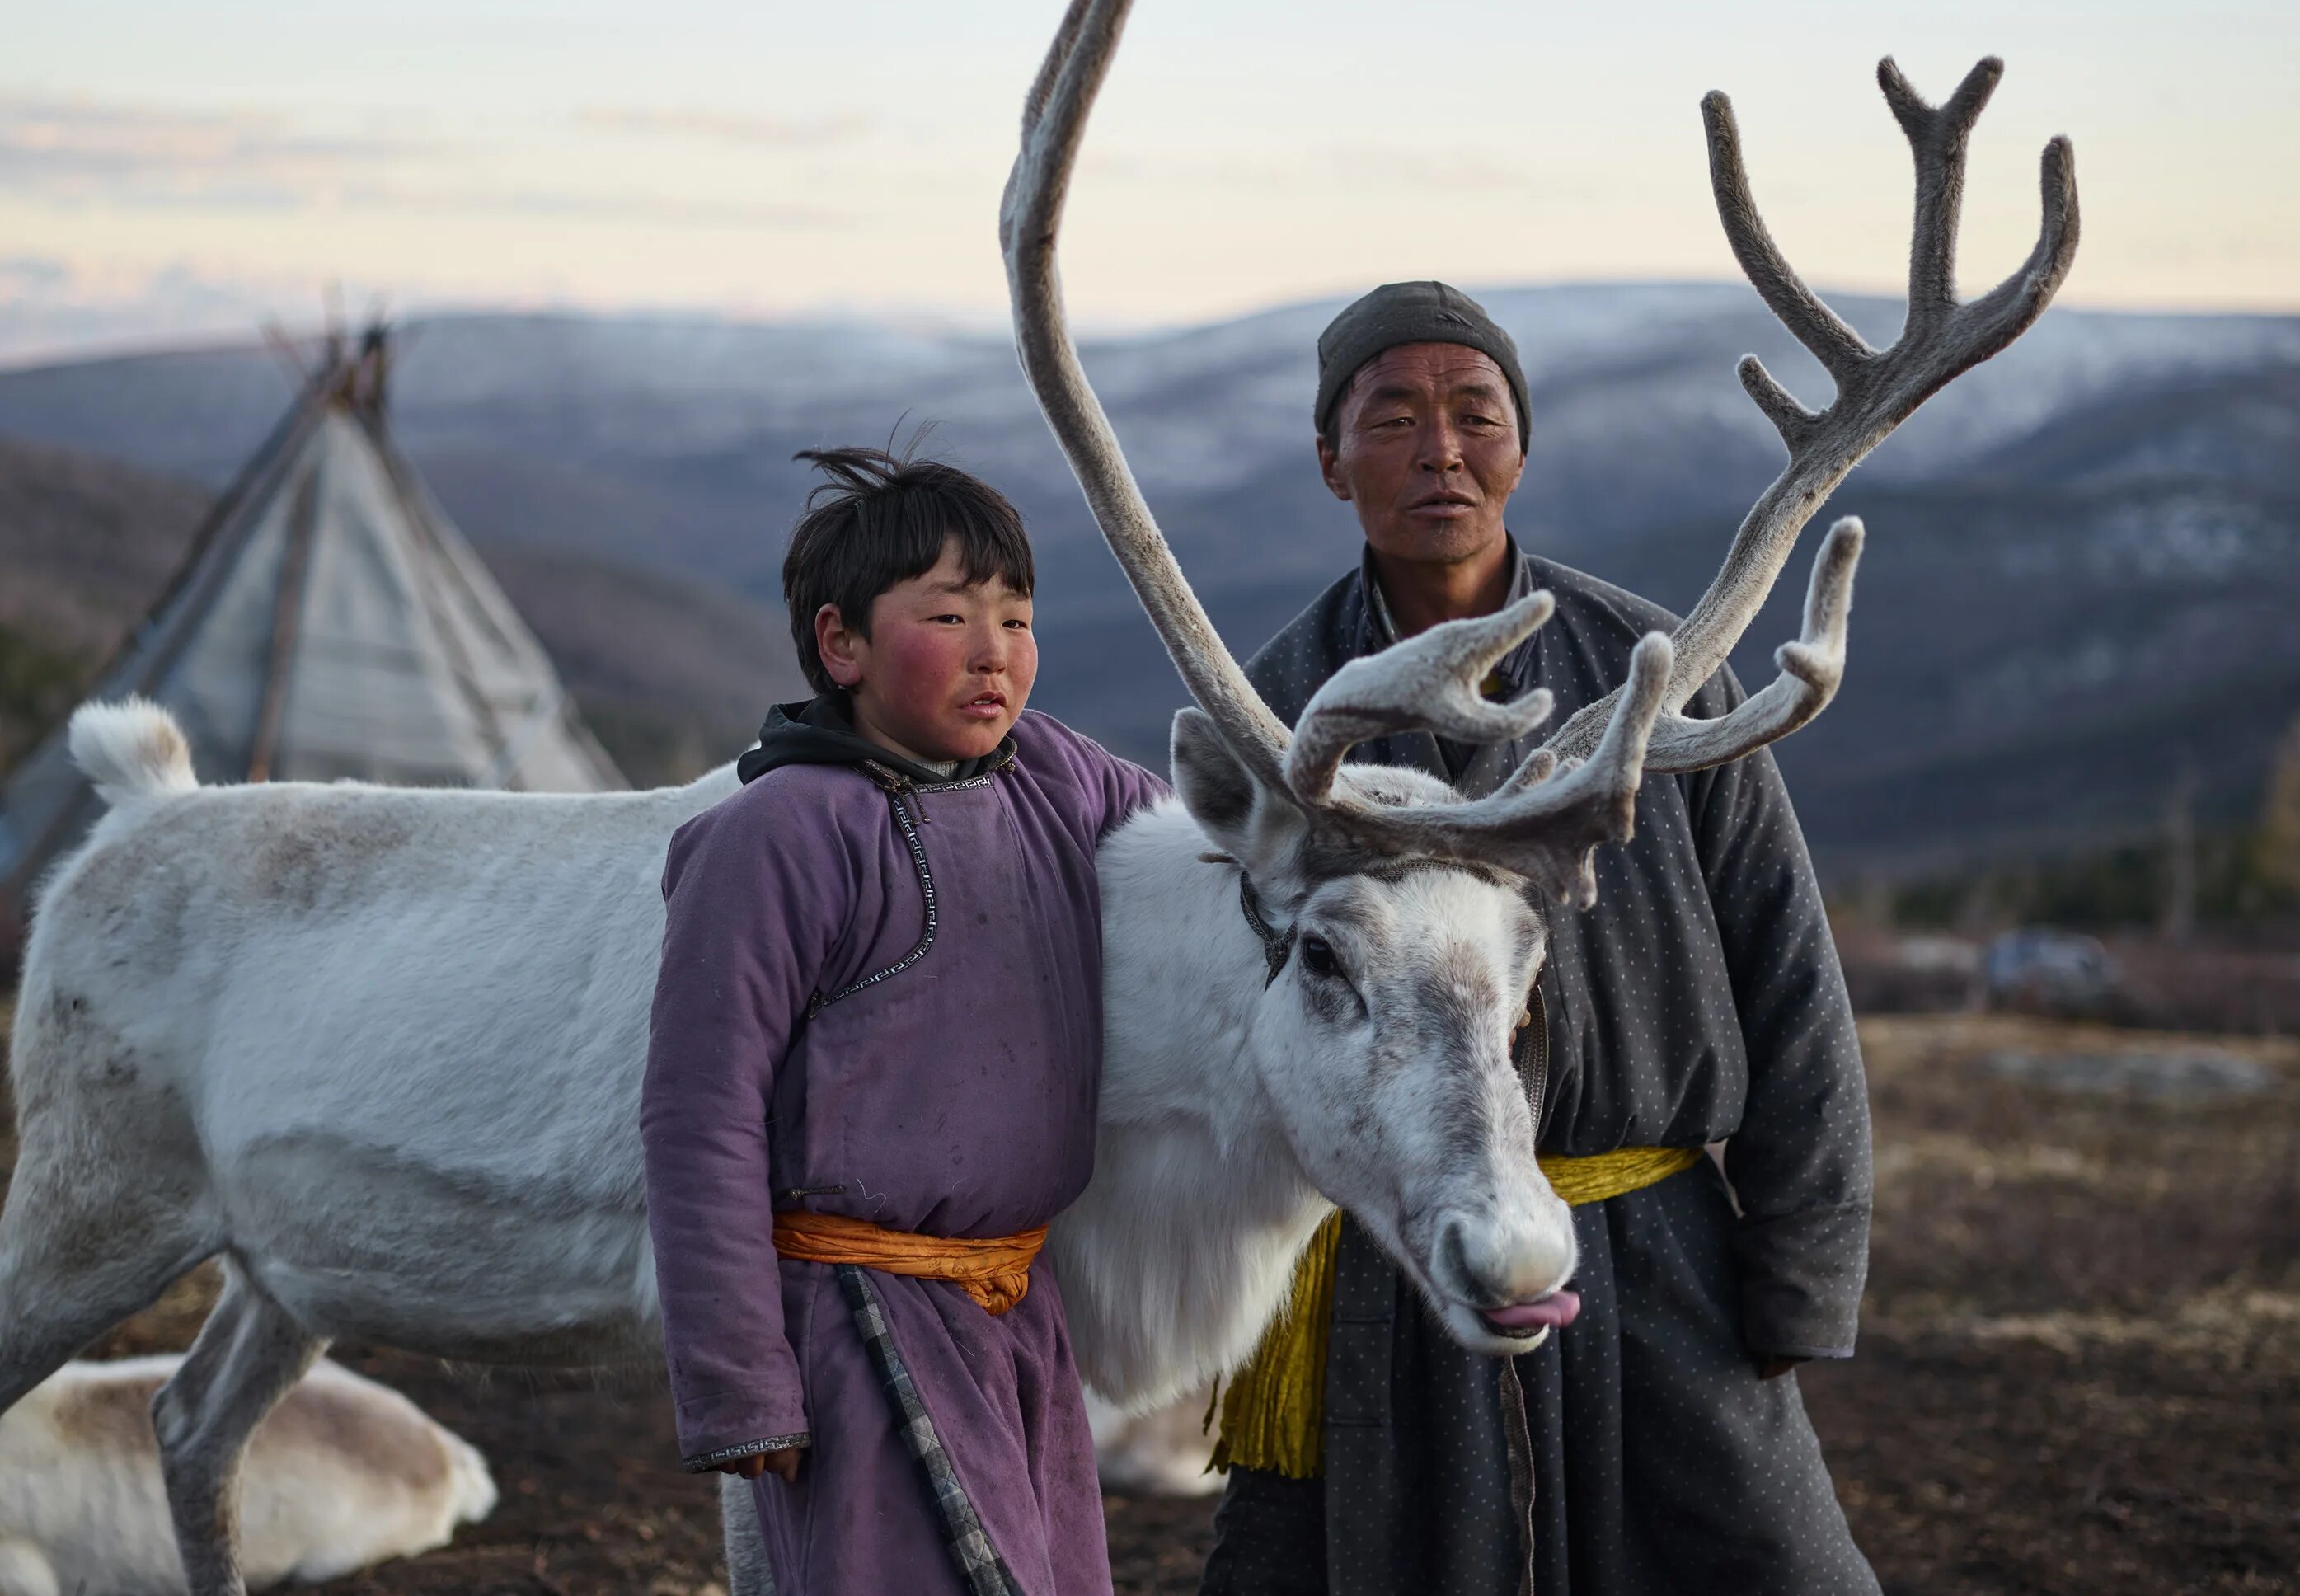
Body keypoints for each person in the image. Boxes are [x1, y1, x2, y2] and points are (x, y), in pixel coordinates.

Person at [1200, 284, 1880, 1596]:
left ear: (1523, 444)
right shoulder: (1274, 712)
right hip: (1389, 1267)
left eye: (1475, 414)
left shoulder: (1660, 669)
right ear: (1331, 461)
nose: (1438, 449)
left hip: (1657, 1255)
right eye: (1391, 418)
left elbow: (1786, 967)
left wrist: (1801, 1265)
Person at [641, 447, 1166, 1596]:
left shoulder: (1057, 781)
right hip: (858, 1327)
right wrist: (742, 1384)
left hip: (1020, 1312)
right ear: (842, 645)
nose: (997, 653)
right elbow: (699, 1116)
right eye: (949, 615)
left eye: (1018, 618)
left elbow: (1198, 854)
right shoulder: (775, 836)